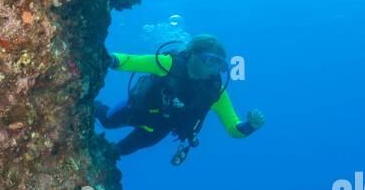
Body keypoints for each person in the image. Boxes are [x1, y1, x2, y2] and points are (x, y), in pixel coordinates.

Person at [95, 34, 265, 163]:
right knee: (107, 121)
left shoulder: (215, 92)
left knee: (117, 152)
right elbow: (132, 61)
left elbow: (234, 129)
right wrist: (110, 60)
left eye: (220, 65)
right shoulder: (170, 64)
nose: (214, 69)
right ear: (193, 55)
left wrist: (251, 126)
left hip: (159, 128)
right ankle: (93, 105)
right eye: (210, 60)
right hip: (137, 109)